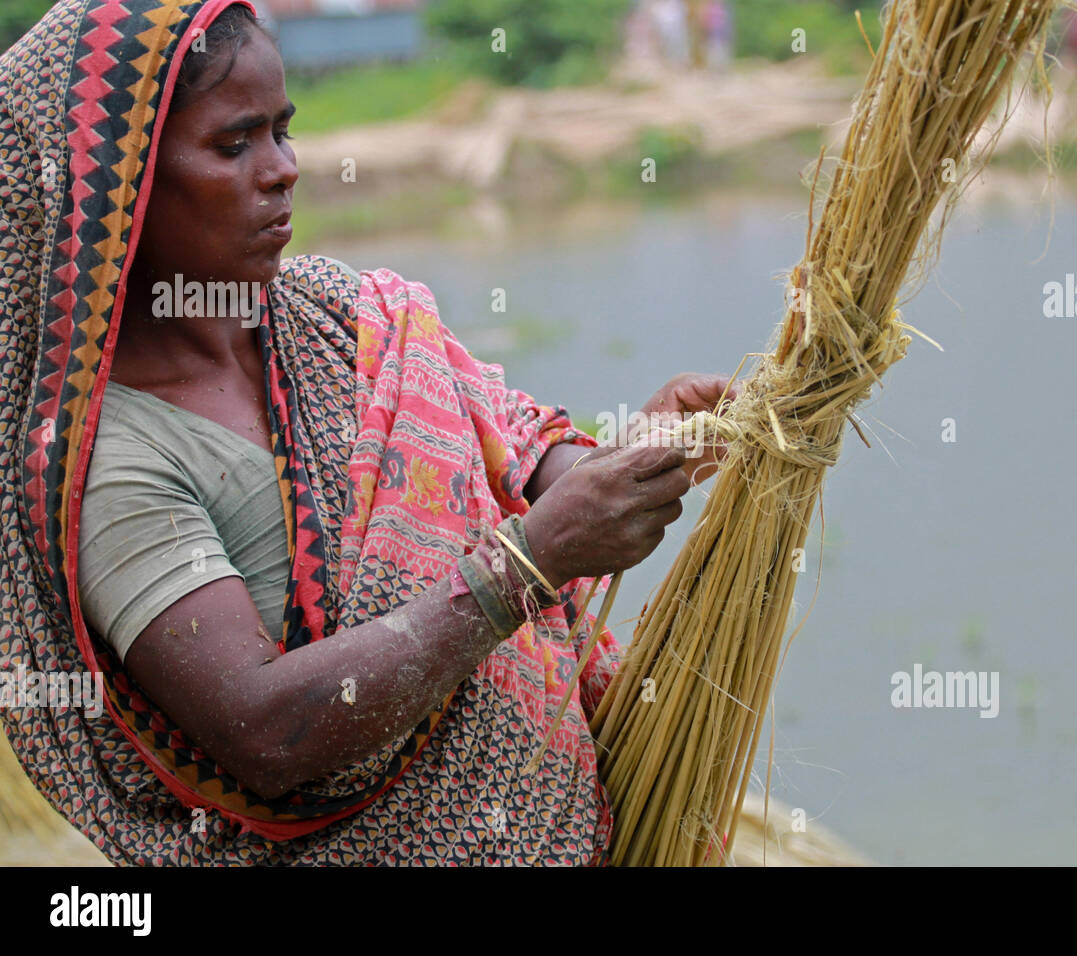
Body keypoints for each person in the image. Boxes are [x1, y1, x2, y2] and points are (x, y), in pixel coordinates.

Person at [0, 0, 734, 865]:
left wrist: (638, 460)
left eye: (283, 131)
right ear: (109, 192)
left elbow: (515, 458)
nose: (281, 170)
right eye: (234, 145)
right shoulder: (111, 465)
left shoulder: (342, 314)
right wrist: (529, 562)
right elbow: (265, 731)